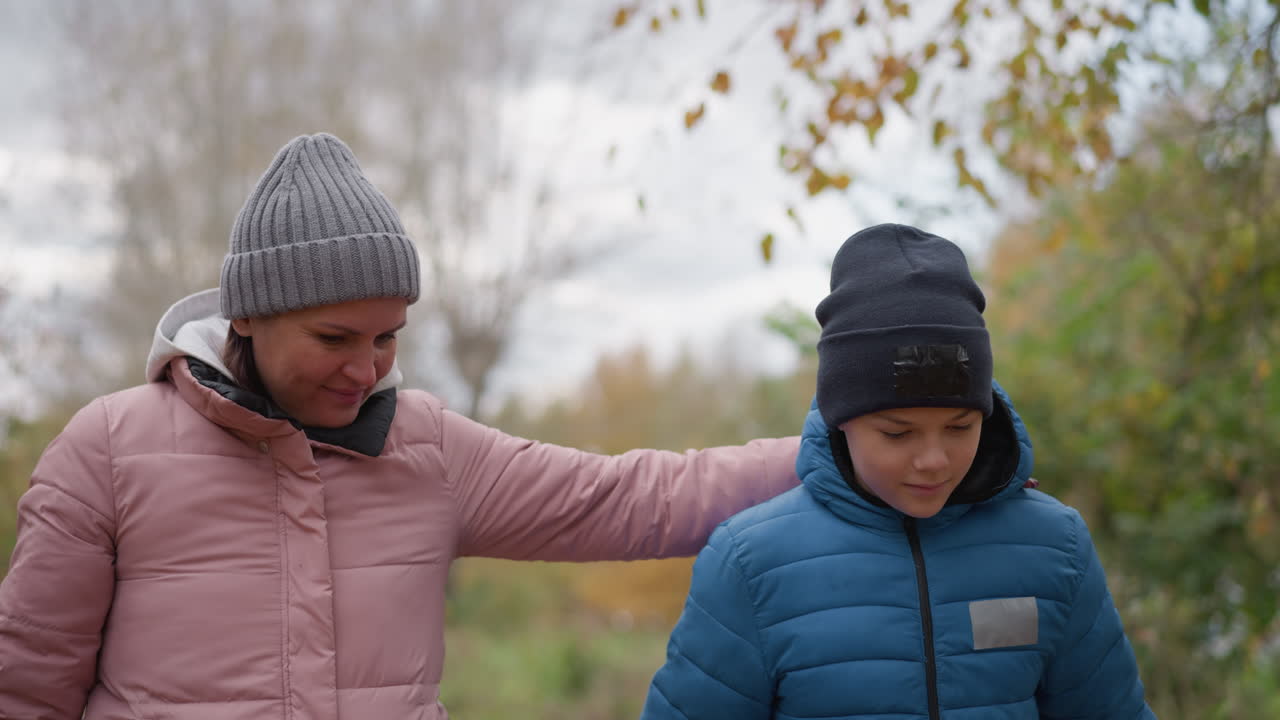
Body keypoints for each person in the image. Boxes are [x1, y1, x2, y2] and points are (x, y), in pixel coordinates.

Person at [0, 133, 804, 720]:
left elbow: (637, 498)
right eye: (335, 339)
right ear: (246, 315)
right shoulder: (106, 449)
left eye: (388, 337)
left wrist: (839, 451)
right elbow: (27, 683)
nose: (368, 368)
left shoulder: (430, 449)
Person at [639, 224, 1155, 719]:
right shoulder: (748, 564)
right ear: (841, 420)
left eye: (959, 427)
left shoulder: (1055, 545)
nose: (933, 459)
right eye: (897, 433)